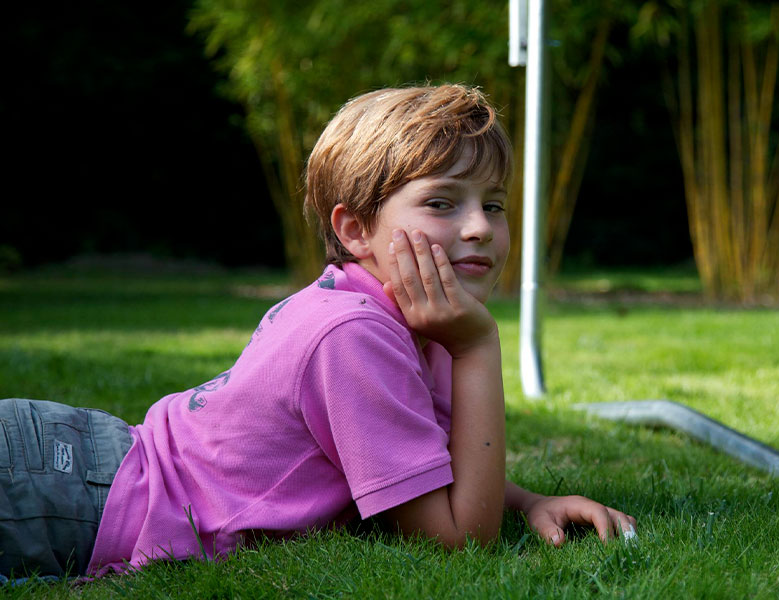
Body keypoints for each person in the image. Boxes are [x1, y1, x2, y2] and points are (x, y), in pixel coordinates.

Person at [0, 84, 635, 580]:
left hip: (81, 463)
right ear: (356, 230)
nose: (478, 228)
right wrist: (477, 348)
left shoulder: (403, 313)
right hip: (72, 495)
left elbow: (430, 465)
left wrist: (526, 504)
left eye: (492, 205)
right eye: (442, 202)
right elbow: (459, 544)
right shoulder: (354, 334)